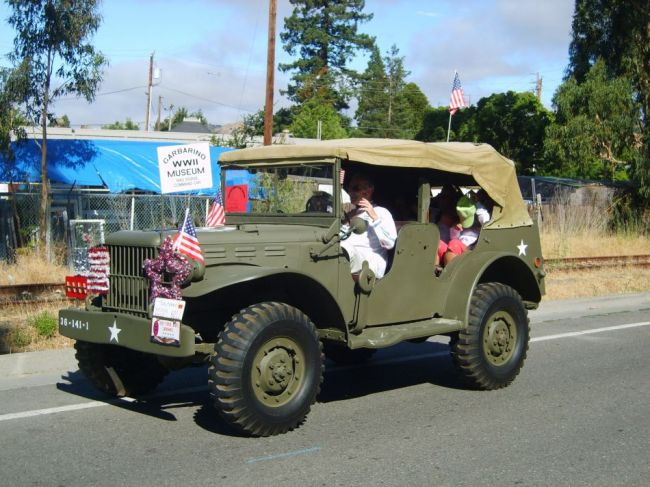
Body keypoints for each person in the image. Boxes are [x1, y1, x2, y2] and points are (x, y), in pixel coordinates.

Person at [340, 173, 397, 279]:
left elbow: (390, 243)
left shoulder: (381, 212)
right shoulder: (352, 213)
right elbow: (340, 237)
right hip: (351, 260)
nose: (350, 192)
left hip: (370, 265)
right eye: (349, 188)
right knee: (334, 249)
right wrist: (346, 222)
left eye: (355, 188)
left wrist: (374, 217)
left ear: (368, 190)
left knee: (343, 248)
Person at [438, 191, 491, 265]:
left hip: (470, 251)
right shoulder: (462, 221)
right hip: (455, 250)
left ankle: (449, 274)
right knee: (439, 244)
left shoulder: (482, 220)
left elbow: (485, 220)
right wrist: (455, 230)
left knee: (454, 244)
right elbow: (453, 238)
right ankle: (434, 270)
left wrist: (477, 203)